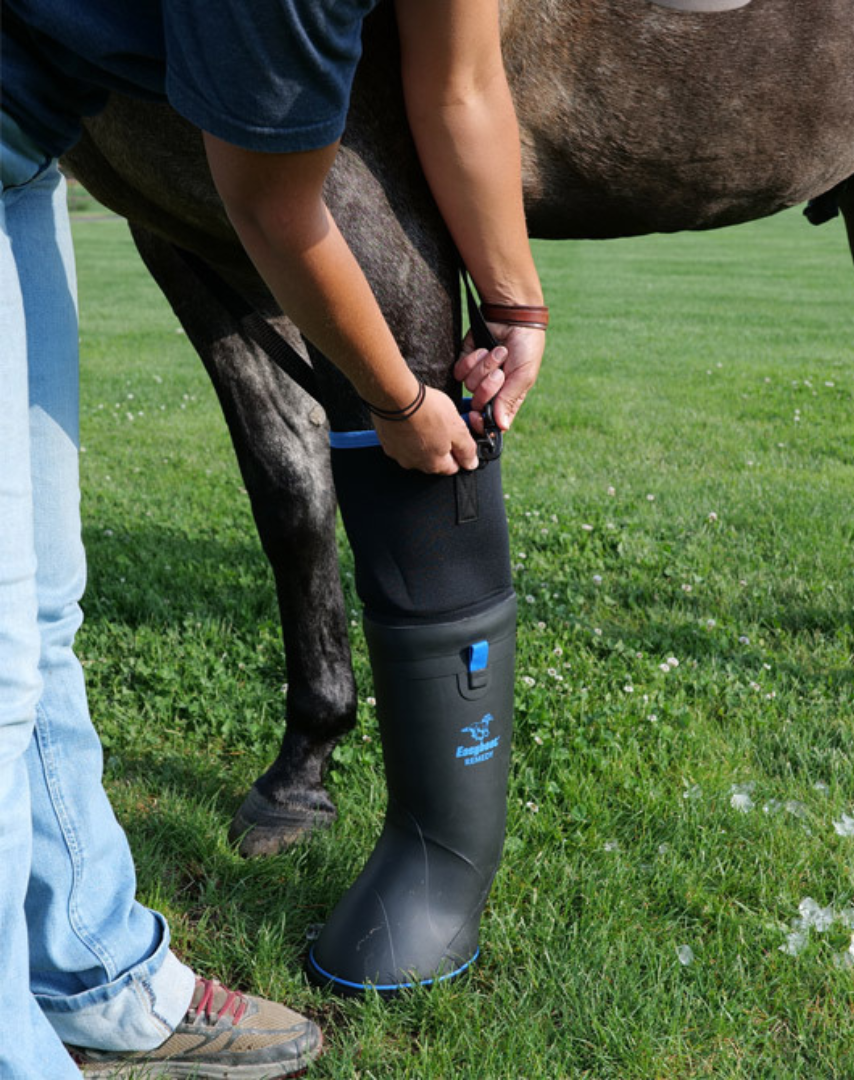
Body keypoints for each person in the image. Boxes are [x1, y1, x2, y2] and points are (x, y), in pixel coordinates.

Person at [1, 0, 545, 1075]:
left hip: (20, 157)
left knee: (38, 614)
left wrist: (519, 309)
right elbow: (268, 200)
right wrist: (397, 402)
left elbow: (462, 82)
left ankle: (90, 974)